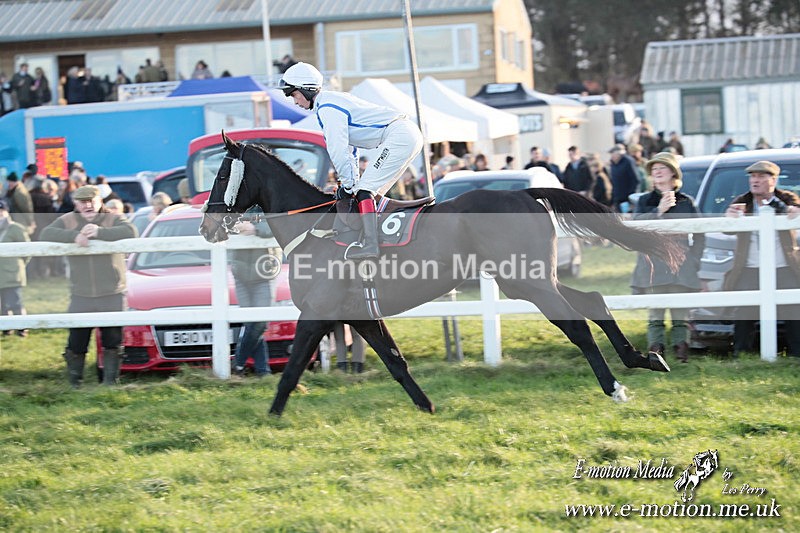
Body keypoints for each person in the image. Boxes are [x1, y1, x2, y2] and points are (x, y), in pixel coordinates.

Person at [279, 62, 423, 259]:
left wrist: (348, 186)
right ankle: (380, 240)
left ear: (307, 90)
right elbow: (350, 150)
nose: (294, 101)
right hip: (405, 134)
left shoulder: (327, 108)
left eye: (293, 94)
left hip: (400, 135)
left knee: (365, 191)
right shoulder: (329, 102)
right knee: (369, 195)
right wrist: (351, 182)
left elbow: (337, 151)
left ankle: (371, 246)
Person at [40, 185, 138, 387]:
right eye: (82, 202)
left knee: (112, 339)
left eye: (91, 201)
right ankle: (75, 383)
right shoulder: (67, 220)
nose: (87, 206)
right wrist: (73, 236)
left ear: (99, 201)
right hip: (81, 292)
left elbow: (131, 231)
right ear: (75, 203)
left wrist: (100, 232)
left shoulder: (112, 217)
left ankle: (111, 381)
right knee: (77, 340)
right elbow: (46, 234)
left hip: (111, 291)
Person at [630, 152, 703, 362]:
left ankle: (681, 353)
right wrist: (658, 211)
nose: (657, 172)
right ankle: (656, 353)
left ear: (673, 173)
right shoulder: (645, 201)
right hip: (653, 265)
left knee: (681, 315)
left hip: (681, 266)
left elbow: (700, 233)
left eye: (662, 168)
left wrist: (694, 259)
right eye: (654, 169)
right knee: (656, 315)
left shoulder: (686, 202)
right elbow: (634, 229)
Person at [723, 161, 800, 357]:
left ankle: (796, 355)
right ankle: (741, 355)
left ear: (773, 180)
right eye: (752, 177)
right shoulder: (742, 201)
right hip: (749, 268)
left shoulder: (787, 198)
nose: (755, 181)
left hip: (784, 266)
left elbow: (796, 211)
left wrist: (793, 211)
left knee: (793, 311)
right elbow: (726, 229)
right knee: (744, 312)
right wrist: (729, 216)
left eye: (760, 177)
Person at [231, 210, 272, 378]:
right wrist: (236, 227)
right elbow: (220, 226)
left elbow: (272, 227)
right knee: (250, 324)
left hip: (262, 276)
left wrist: (254, 228)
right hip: (241, 276)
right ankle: (263, 371)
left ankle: (238, 363)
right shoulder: (233, 206)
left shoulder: (263, 207)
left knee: (260, 323)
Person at [0, 200, 31, 337]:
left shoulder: (16, 228)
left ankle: (21, 328)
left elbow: (27, 250)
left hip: (12, 273)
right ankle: (6, 328)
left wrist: (18, 265)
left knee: (15, 302)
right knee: (2, 304)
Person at [608, 144, 639, 213]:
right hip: (618, 199)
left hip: (627, 198)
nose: (612, 156)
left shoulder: (628, 161)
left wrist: (631, 198)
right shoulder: (613, 164)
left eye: (613, 154)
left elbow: (635, 180)